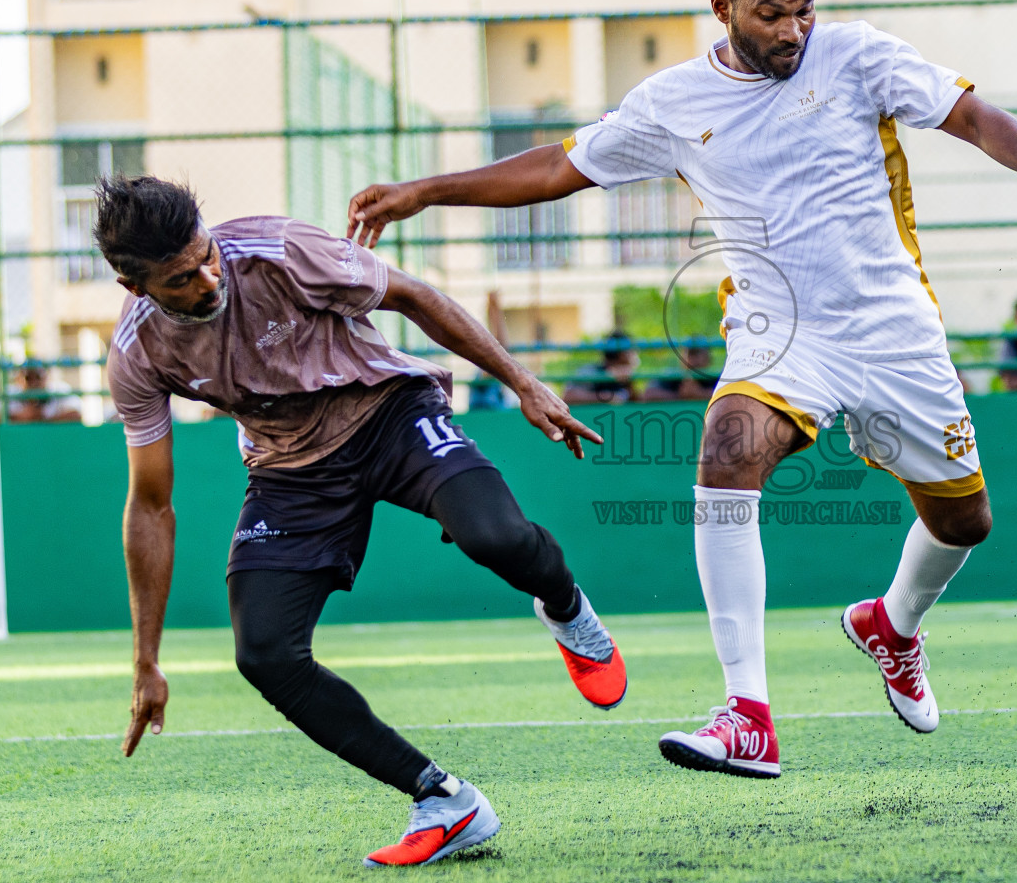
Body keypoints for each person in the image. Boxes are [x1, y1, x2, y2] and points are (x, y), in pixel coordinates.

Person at [346, 0, 1017, 779]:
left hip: (893, 330)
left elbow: (969, 113)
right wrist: (425, 191)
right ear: (722, 9)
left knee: (964, 521)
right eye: (772, 12)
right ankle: (747, 712)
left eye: (806, 9)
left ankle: (891, 627)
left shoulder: (857, 56)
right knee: (726, 450)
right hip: (779, 332)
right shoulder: (674, 103)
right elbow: (559, 169)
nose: (794, 29)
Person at [97, 175, 623, 867]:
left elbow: (414, 295)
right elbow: (151, 503)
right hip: (291, 471)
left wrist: (524, 384)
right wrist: (146, 661)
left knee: (493, 536)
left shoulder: (281, 250)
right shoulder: (137, 355)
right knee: (264, 656)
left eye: (205, 256)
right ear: (135, 288)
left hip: (390, 415)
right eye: (180, 279)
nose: (207, 278)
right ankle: (445, 800)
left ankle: (564, 606)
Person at [562, 331, 640, 404]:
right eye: (632, 350)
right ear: (622, 354)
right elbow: (568, 396)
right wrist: (605, 397)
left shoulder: (627, 377)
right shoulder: (591, 371)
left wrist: (629, 384)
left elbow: (639, 405)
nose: (636, 354)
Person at [644, 344, 720, 401]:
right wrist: (679, 395)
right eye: (690, 354)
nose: (693, 360)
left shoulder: (714, 377)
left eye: (697, 354)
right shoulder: (674, 376)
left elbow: (728, 394)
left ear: (708, 359)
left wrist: (700, 393)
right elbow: (648, 394)